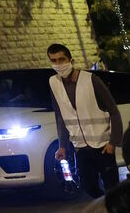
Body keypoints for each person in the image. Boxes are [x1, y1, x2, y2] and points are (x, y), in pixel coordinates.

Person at [47, 43, 122, 198]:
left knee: (113, 188)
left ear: (71, 60)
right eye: (54, 60)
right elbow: (60, 116)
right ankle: (106, 205)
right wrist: (62, 146)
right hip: (80, 147)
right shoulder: (53, 83)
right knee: (88, 186)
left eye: (62, 59)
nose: (58, 64)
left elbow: (114, 111)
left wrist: (113, 142)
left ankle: (118, 208)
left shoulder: (91, 79)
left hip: (103, 146)